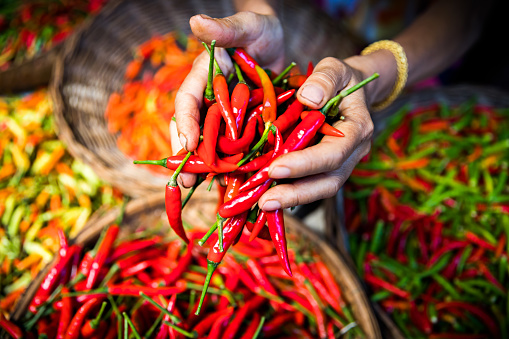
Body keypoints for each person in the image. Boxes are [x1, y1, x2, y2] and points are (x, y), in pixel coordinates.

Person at [170, 0, 492, 213]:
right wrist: (259, 15)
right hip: (312, 27)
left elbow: (471, 9)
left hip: (423, 49)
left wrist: (372, 74)